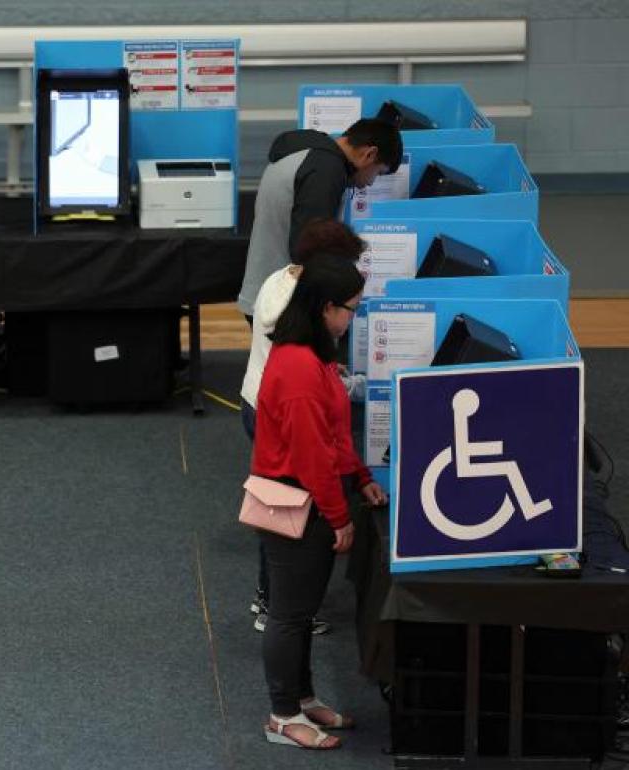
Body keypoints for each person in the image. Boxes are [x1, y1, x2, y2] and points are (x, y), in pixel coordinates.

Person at [251, 255, 387, 750]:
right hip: (297, 503)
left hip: (314, 497)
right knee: (289, 614)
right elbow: (311, 459)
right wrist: (339, 519)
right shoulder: (299, 371)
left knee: (304, 610)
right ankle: (282, 717)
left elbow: (336, 431)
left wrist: (362, 475)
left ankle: (304, 699)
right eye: (351, 308)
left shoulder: (316, 355)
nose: (354, 316)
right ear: (327, 308)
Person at [240, 219, 368, 634]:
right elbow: (314, 454)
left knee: (279, 517)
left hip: (260, 399)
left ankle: (274, 601)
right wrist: (338, 516)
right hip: (277, 409)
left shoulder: (281, 281)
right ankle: (275, 604)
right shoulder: (297, 313)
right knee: (283, 518)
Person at [237, 118, 402, 323]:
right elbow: (310, 247)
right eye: (378, 172)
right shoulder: (325, 169)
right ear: (370, 154)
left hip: (267, 292)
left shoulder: (306, 152)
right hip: (285, 303)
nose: (370, 183)